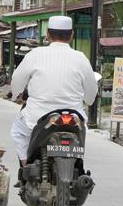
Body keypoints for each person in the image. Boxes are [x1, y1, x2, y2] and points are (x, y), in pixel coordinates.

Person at [9, 15, 98, 165]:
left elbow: (17, 81)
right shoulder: (81, 58)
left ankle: (25, 167)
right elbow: (91, 95)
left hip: (37, 117)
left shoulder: (35, 54)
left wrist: (15, 95)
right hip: (74, 118)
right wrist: (87, 99)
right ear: (71, 35)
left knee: (18, 132)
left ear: (48, 34)